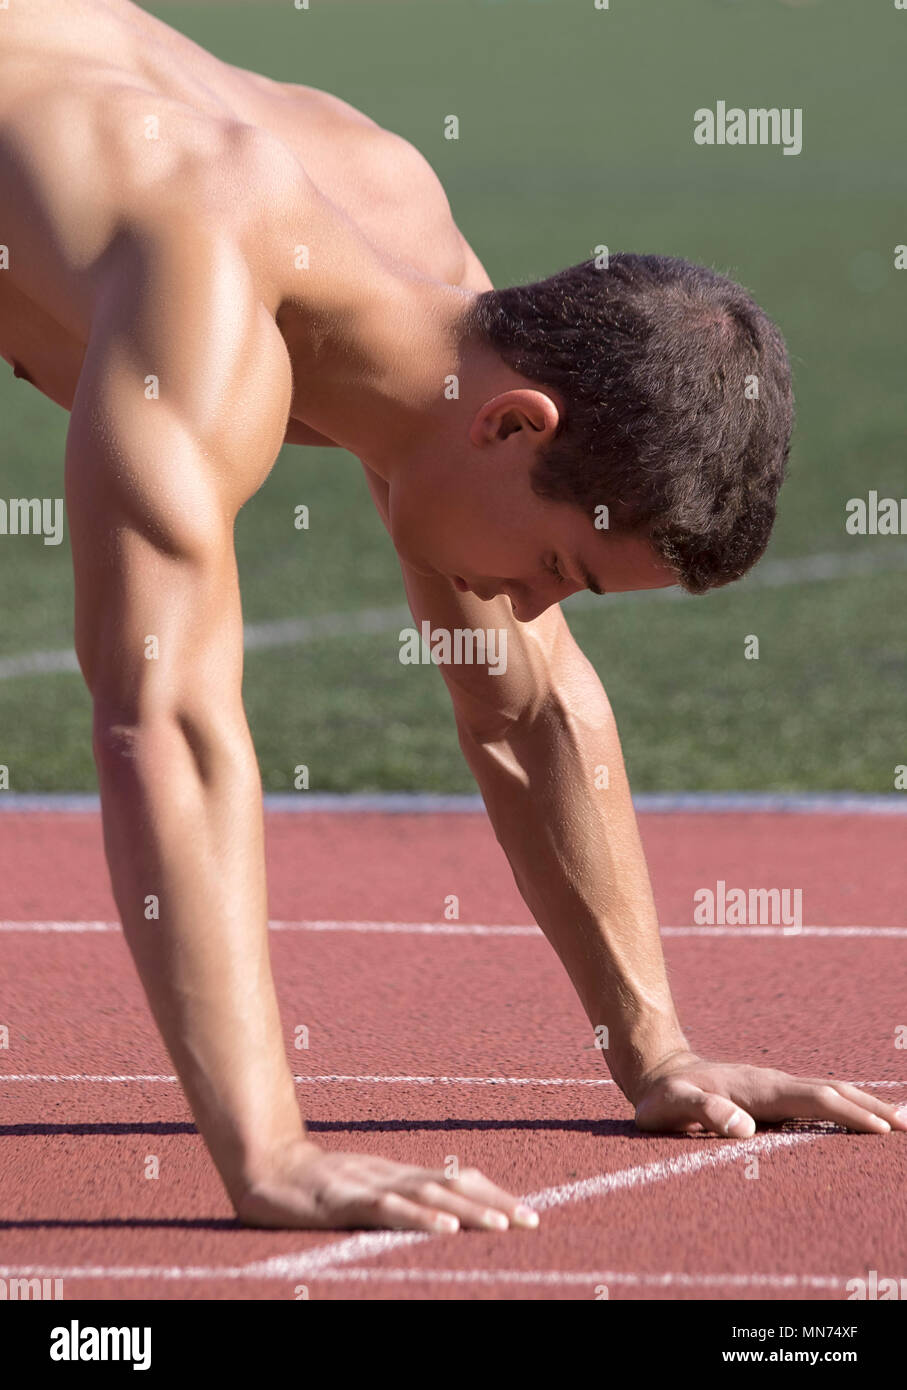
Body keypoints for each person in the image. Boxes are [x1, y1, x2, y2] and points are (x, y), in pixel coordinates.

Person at [1, 0, 902, 1234]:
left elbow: (527, 704)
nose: (526, 603)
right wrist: (271, 1150)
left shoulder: (407, 239)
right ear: (515, 423)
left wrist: (659, 1054)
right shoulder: (203, 278)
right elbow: (163, 718)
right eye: (555, 566)